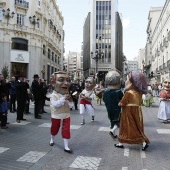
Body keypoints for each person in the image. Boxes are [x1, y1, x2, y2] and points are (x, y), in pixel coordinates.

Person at [115, 71, 150, 151]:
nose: (126, 81)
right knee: (137, 127)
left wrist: (119, 103)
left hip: (128, 112)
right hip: (137, 111)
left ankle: (143, 142)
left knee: (130, 128)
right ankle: (121, 142)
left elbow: (122, 103)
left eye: (127, 80)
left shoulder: (128, 93)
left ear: (132, 82)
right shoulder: (139, 93)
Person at [49, 71, 74, 154]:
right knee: (54, 129)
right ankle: (52, 139)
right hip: (56, 115)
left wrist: (70, 100)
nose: (66, 83)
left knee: (66, 130)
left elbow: (71, 106)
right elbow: (56, 105)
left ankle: (66, 146)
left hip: (66, 115)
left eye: (68, 80)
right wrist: (64, 98)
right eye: (61, 80)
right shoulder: (53, 95)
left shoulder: (66, 94)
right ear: (53, 82)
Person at [103, 70, 123, 138]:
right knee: (118, 121)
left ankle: (113, 133)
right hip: (117, 109)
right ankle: (112, 131)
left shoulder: (106, 91)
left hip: (109, 108)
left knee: (112, 120)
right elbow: (122, 100)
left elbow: (104, 99)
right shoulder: (118, 91)